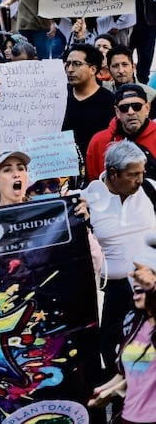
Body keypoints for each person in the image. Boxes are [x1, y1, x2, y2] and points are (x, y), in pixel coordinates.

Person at [82, 141, 156, 382]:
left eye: (142, 173)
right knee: (112, 348)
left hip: (150, 286)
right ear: (113, 173)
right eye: (133, 175)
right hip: (112, 291)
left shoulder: (151, 189)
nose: (140, 180)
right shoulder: (87, 200)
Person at [88, 236, 156, 420]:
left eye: (142, 290)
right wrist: (106, 391)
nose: (135, 295)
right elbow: (132, 374)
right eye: (134, 289)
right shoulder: (134, 323)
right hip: (130, 416)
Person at [62, 44, 117, 157]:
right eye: (67, 64)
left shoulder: (109, 101)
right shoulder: (59, 96)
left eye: (77, 64)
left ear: (93, 69)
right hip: (61, 162)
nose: (70, 69)